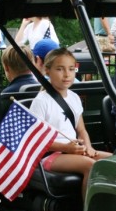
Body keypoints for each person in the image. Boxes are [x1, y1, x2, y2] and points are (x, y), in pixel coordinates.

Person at [29, 48, 111, 199]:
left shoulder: (74, 97)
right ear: (47, 71)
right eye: (60, 69)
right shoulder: (41, 101)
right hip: (50, 155)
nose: (67, 74)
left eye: (71, 69)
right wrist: (66, 147)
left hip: (73, 150)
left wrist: (89, 147)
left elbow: (81, 130)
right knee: (90, 165)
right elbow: (36, 140)